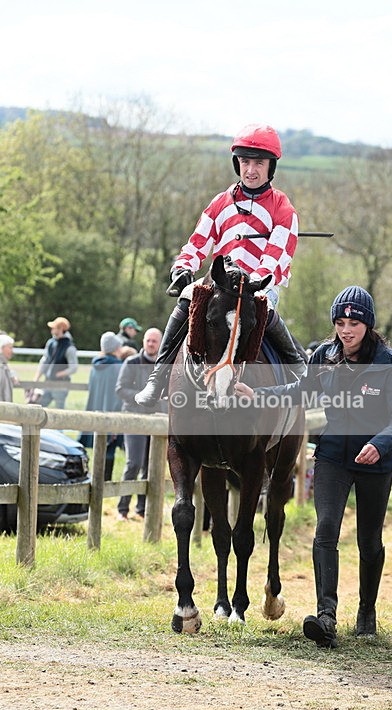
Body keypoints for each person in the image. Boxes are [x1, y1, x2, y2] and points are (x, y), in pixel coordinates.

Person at [236, 286, 392, 647]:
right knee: (326, 528)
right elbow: (300, 391)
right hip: (333, 456)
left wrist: (378, 444)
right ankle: (326, 616)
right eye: (340, 323)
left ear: (368, 325)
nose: (346, 330)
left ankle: (366, 611)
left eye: (354, 324)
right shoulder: (324, 354)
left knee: (369, 541)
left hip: (374, 462)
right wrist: (259, 395)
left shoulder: (387, 361)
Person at [135, 123, 305, 408]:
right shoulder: (220, 202)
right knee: (186, 300)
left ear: (270, 166)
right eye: (245, 162)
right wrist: (183, 267)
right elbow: (197, 242)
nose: (251, 170)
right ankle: (157, 378)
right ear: (237, 163)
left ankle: (300, 369)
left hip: (258, 286)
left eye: (259, 163)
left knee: (265, 309)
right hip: (219, 284)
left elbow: (274, 257)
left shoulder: (283, 209)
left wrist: (252, 282)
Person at [116, 327, 165, 521]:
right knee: (133, 463)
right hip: (134, 418)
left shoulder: (164, 365)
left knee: (150, 466)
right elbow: (121, 389)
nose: (150, 344)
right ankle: (122, 509)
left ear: (160, 343)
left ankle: (142, 509)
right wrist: (143, 396)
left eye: (154, 341)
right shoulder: (132, 362)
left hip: (156, 421)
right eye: (148, 340)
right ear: (143, 341)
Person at [79, 332, 124, 481]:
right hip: (111, 411)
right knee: (109, 450)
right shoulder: (118, 367)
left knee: (99, 448)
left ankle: (97, 480)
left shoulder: (95, 366)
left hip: (95, 410)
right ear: (115, 348)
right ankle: (105, 483)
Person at [34, 317, 78, 408]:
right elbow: (45, 361)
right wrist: (37, 377)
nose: (51, 330)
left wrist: (60, 374)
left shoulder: (69, 347)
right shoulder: (50, 343)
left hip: (61, 384)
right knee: (40, 406)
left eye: (54, 328)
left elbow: (73, 367)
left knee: (59, 409)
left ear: (61, 329)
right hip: (48, 382)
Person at [0, 334, 18, 402]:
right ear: (1, 348)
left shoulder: (4, 365)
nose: (12, 351)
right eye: (10, 348)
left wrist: (13, 375)